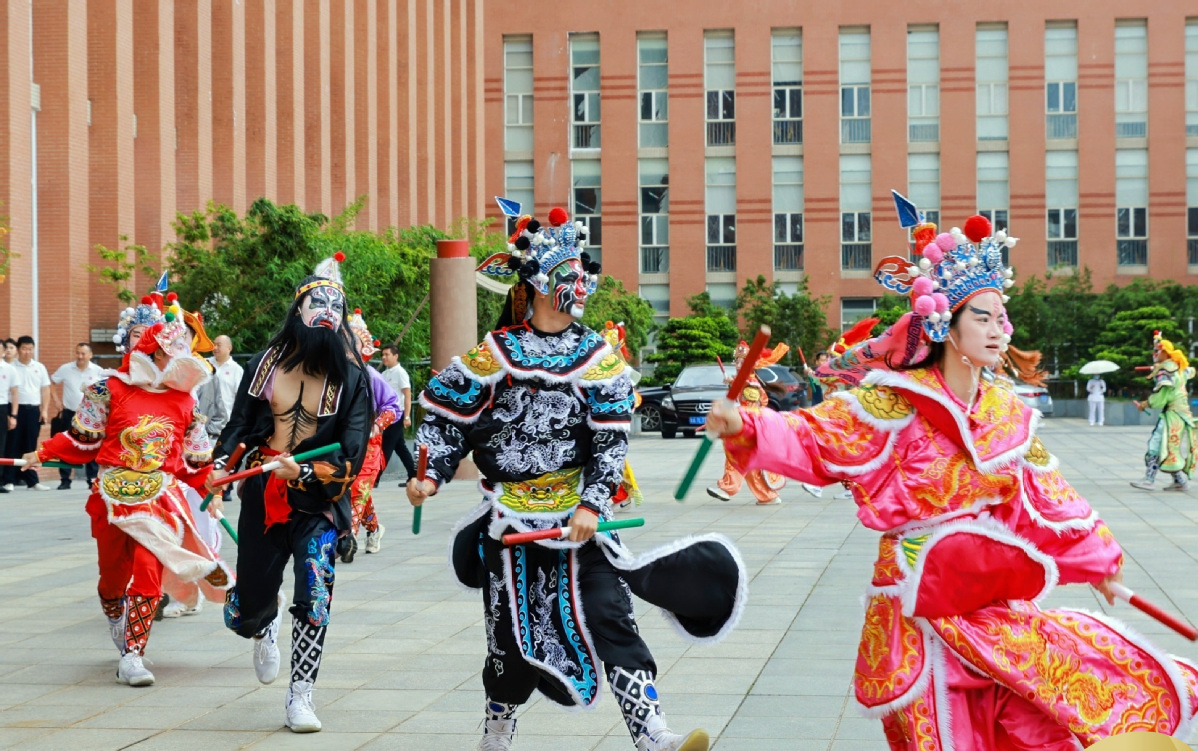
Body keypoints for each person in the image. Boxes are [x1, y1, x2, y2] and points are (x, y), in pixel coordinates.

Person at [703, 193, 1198, 749]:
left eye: (1001, 317)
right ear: (946, 324)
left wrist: (1100, 563)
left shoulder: (1007, 413)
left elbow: (1048, 499)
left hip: (989, 604)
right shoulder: (892, 405)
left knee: (1028, 724)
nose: (998, 329)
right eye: (982, 317)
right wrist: (744, 424)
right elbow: (813, 437)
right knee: (932, 735)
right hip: (915, 604)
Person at [410, 203, 745, 751]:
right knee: (507, 635)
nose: (583, 284)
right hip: (511, 521)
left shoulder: (598, 358)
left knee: (610, 613)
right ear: (541, 283)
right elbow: (448, 425)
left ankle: (652, 732)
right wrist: (430, 474)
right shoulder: (495, 354)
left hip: (580, 519)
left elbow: (612, 441)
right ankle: (498, 731)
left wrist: (592, 503)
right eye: (571, 274)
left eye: (585, 274)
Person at [209, 252, 372, 733]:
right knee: (244, 610)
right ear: (298, 311)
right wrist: (221, 467)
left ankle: (301, 695)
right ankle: (263, 621)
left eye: (335, 305)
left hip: (319, 501)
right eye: (317, 302)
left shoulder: (351, 377)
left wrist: (302, 473)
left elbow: (354, 455)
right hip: (263, 496)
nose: (327, 311)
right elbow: (239, 426)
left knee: (315, 592)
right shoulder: (264, 365)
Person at [23, 313, 232, 687]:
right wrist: (40, 454)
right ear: (150, 352)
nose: (176, 361)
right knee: (112, 576)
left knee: (149, 569)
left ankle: (133, 655)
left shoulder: (186, 403)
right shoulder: (109, 389)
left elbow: (195, 462)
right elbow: (81, 440)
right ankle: (114, 614)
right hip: (111, 497)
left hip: (158, 499)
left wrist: (211, 489)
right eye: (170, 354)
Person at [161, 306, 228, 618]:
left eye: (183, 336)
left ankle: (202, 588)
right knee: (168, 529)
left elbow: (218, 414)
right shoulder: (154, 374)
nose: (176, 342)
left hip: (198, 463)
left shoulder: (206, 373)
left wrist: (202, 441)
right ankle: (176, 593)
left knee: (200, 526)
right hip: (164, 468)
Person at [343, 309, 401, 561]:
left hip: (368, 446)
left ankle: (348, 538)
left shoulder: (371, 376)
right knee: (353, 489)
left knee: (358, 489)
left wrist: (377, 425)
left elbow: (393, 406)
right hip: (343, 445)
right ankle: (374, 528)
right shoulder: (335, 376)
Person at [707, 339, 789, 506]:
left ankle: (728, 488)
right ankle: (767, 496)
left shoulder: (751, 384)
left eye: (742, 360)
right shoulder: (743, 381)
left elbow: (750, 409)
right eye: (737, 360)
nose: (738, 363)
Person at [1130, 332, 1196, 492]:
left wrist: (1144, 404)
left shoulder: (1166, 370)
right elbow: (1190, 371)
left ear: (1165, 352)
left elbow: (1161, 397)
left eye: (1157, 351)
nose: (1154, 354)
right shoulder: (1178, 367)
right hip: (1181, 415)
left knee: (1156, 444)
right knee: (1169, 448)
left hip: (1172, 415)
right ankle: (1180, 481)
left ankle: (1149, 479)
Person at [50, 343, 104, 489]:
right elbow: (52, 382)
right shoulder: (66, 369)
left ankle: (92, 479)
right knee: (67, 445)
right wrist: (56, 400)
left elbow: (105, 390)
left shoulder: (99, 371)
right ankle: (65, 480)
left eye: (83, 354)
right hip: (69, 413)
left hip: (90, 415)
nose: (80, 356)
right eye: (78, 353)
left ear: (90, 355)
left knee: (91, 445)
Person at [6, 336, 52, 491]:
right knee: (12, 444)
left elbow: (45, 389)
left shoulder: (39, 367)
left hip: (33, 411)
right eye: (24, 348)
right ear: (18, 349)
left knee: (31, 445)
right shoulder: (11, 367)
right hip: (16, 410)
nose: (27, 352)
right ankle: (9, 480)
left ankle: (32, 481)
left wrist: (44, 410)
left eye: (30, 349)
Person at [378, 344, 417, 484]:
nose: (384, 357)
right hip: (386, 415)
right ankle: (413, 475)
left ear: (396, 356)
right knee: (400, 447)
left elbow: (407, 395)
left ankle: (375, 478)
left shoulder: (400, 373)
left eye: (387, 354)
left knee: (386, 447)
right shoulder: (384, 374)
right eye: (383, 355)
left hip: (396, 415)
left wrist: (406, 416)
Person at [0, 354, 17, 493]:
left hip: (2, 407)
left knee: (1, 445)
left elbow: (14, 393)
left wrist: (13, 415)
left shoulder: (9, 369)